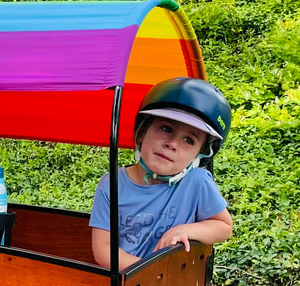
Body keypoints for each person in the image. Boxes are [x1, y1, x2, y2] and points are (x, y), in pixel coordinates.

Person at [89, 77, 234, 269]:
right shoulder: (112, 184)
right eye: (166, 128)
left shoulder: (196, 182)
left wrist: (183, 230)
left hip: (176, 285)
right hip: (125, 285)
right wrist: (150, 274)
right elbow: (103, 249)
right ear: (142, 132)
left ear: (200, 154)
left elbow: (224, 227)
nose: (172, 144)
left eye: (188, 140)